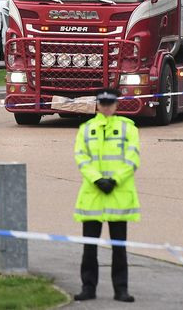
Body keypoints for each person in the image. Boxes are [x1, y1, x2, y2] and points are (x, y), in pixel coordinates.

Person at [73, 89, 140, 303]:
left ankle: (121, 289)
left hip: (118, 195)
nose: (106, 107)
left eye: (110, 103)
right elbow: (81, 157)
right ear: (98, 105)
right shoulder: (86, 129)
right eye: (103, 103)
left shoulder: (128, 128)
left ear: (116, 104)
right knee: (89, 247)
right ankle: (88, 288)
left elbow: (132, 158)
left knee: (119, 248)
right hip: (93, 195)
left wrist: (114, 180)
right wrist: (97, 180)